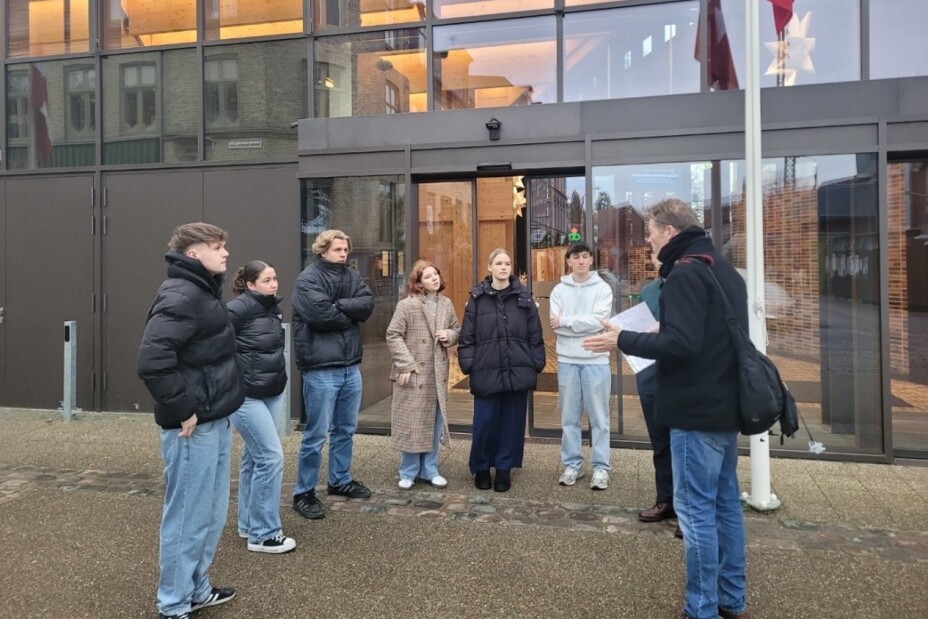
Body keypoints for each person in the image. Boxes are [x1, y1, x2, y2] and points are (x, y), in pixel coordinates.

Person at [582, 198, 749, 619]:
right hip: (724, 407)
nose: (648, 239)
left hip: (695, 411)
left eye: (651, 232)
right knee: (725, 505)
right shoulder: (721, 268)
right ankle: (732, 600)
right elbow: (705, 333)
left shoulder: (687, 273)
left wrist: (622, 340)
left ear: (670, 232)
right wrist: (658, 327)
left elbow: (682, 346)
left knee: (695, 513)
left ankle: (701, 609)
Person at [137, 222, 244, 619]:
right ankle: (173, 604)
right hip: (191, 427)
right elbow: (152, 361)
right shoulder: (181, 293)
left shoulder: (203, 291)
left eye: (224, 245)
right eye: (216, 246)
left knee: (211, 514)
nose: (225, 252)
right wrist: (182, 409)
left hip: (214, 420)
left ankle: (196, 589)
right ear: (192, 253)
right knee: (186, 517)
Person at [291, 229, 374, 520]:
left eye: (345, 249)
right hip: (321, 369)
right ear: (322, 250)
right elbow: (320, 316)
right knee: (316, 434)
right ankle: (304, 491)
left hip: (350, 366)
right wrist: (345, 313)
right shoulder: (308, 279)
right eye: (338, 249)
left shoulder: (351, 277)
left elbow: (367, 304)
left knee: (345, 429)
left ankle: (339, 480)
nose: (343, 254)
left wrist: (339, 306)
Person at [458, 248, 546, 493]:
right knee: (485, 422)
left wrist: (537, 363)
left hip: (517, 370)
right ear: (490, 267)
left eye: (507, 263)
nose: (503, 267)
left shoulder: (524, 298)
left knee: (512, 423)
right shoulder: (477, 299)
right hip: (485, 370)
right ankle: (482, 467)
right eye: (498, 263)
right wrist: (469, 365)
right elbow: (467, 338)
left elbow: (535, 335)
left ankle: (504, 468)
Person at [227, 260, 296, 554]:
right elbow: (218, 349)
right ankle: (264, 534)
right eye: (267, 280)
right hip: (246, 396)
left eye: (275, 278)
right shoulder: (236, 310)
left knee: (254, 459)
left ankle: (247, 523)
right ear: (250, 284)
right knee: (271, 457)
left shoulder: (272, 307)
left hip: (272, 391)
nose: (273, 284)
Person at [386, 260, 461, 489]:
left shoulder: (446, 304)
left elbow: (458, 330)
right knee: (412, 422)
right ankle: (407, 471)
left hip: (436, 373)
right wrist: (406, 364)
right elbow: (393, 334)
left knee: (434, 422)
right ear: (418, 283)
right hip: (414, 373)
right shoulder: (407, 305)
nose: (434, 279)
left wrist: (448, 335)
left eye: (436, 274)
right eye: (428, 277)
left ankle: (430, 469)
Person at [549, 242, 614, 490]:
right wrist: (578, 323)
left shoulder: (603, 289)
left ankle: (600, 468)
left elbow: (599, 321)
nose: (581, 261)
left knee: (599, 418)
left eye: (586, 257)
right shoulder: (558, 291)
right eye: (576, 257)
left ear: (591, 261)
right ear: (569, 261)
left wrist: (567, 321)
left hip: (596, 360)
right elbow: (556, 325)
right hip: (567, 360)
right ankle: (572, 465)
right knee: (569, 418)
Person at [636, 253, 676, 525]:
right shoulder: (647, 292)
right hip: (650, 373)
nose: (657, 258)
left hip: (681, 374)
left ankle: (689, 510)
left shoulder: (689, 286)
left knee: (685, 445)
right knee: (660, 442)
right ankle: (665, 499)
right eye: (654, 254)